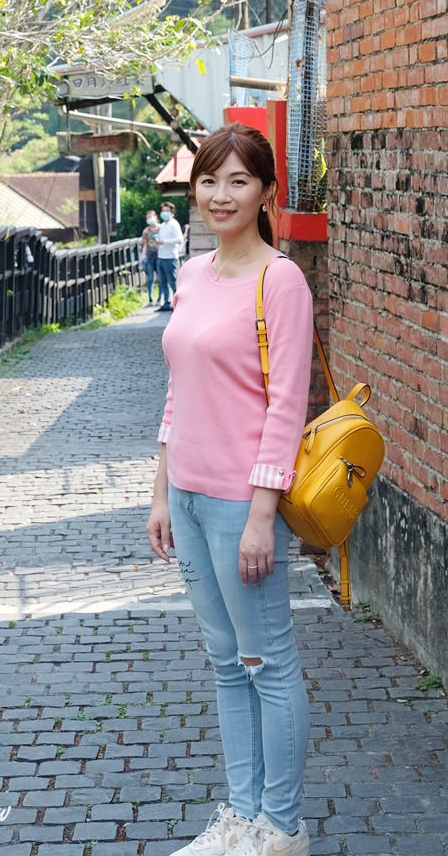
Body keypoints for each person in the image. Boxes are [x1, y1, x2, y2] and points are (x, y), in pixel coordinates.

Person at [147, 124, 314, 856]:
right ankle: (241, 817)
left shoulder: (280, 281)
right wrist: (159, 494)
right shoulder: (191, 274)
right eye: (210, 180)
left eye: (239, 181)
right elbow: (177, 393)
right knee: (226, 664)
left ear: (266, 193)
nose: (221, 195)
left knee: (265, 662)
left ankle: (280, 828)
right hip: (185, 496)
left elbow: (287, 405)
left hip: (240, 505)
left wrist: (261, 516)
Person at [154, 200, 185, 312]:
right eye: (163, 211)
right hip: (161, 256)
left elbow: (180, 239)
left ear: (172, 213)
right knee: (162, 282)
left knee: (172, 281)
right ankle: (166, 303)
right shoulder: (162, 225)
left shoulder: (174, 224)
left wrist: (165, 241)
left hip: (170, 257)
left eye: (167, 211)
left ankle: (180, 304)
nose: (164, 213)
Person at [140, 210, 160, 305]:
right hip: (149, 254)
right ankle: (150, 299)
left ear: (155, 217)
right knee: (150, 277)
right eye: (148, 217)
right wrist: (143, 257)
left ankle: (161, 298)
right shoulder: (146, 231)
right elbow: (144, 244)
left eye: (151, 216)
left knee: (161, 277)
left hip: (160, 255)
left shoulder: (161, 228)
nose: (149, 219)